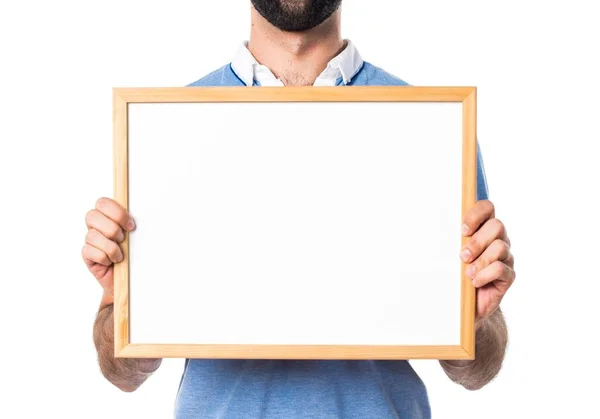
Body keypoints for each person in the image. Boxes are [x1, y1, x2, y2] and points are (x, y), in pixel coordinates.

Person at [83, 1, 516, 417]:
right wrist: (119, 303)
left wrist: (476, 321)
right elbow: (124, 374)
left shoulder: (432, 126)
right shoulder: (162, 127)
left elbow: (477, 370)